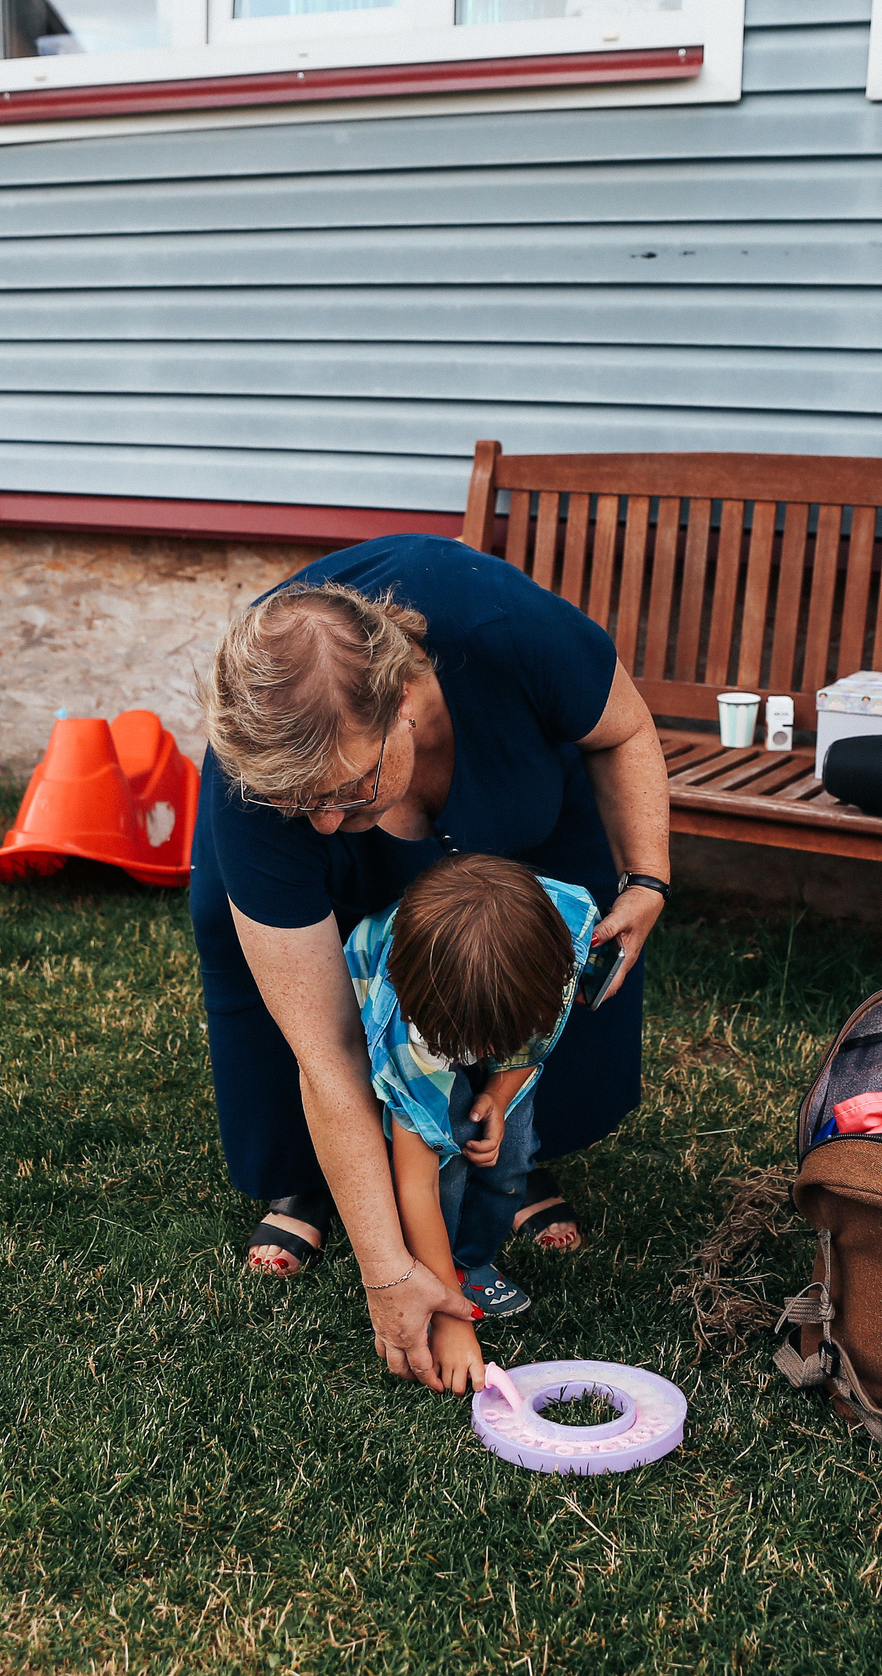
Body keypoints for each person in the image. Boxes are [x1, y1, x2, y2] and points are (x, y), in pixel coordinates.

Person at [192, 534, 672, 1391]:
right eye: (304, 805)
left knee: (506, 975)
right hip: (289, 825)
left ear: (405, 702)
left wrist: (648, 877)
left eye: (348, 790)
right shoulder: (266, 787)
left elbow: (627, 728)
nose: (326, 823)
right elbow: (330, 1053)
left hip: (528, 814)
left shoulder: (506, 631)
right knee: (309, 1024)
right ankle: (307, 1186)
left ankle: (522, 1162)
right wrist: (389, 1276)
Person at [348, 854, 598, 1345]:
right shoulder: (412, 1028)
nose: (485, 1056)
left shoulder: (554, 950)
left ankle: (472, 1260)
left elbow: (534, 1038)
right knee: (448, 1158)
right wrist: (450, 1315)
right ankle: (443, 1275)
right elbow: (417, 1181)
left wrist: (499, 1095)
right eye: (475, 1047)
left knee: (512, 1153)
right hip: (414, 1031)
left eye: (496, 1044)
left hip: (469, 1009)